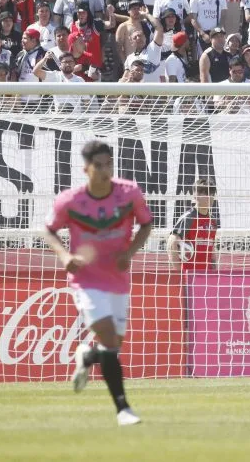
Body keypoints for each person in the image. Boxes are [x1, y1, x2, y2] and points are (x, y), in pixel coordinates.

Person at [45, 140, 151, 425]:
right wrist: (65, 255)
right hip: (86, 280)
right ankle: (123, 409)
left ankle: (87, 356)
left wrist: (129, 253)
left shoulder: (129, 193)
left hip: (117, 279)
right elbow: (48, 229)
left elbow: (146, 223)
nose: (105, 171)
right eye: (99, 165)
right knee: (107, 336)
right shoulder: (70, 200)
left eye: (108, 164)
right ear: (86, 169)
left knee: (112, 346)